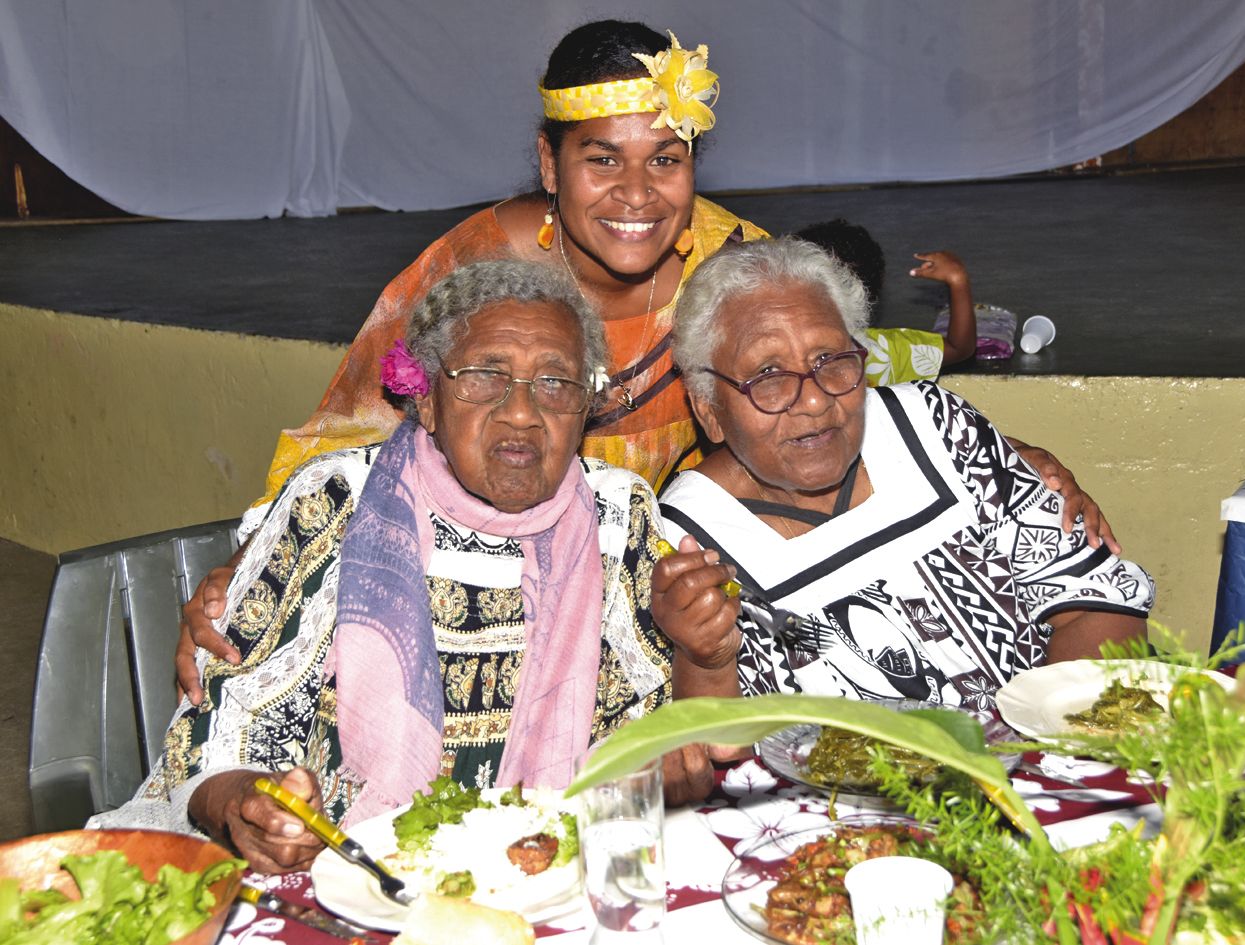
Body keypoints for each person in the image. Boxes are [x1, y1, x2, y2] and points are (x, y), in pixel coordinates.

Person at [174, 20, 1112, 703]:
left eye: (665, 159)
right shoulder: (471, 274)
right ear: (549, 166)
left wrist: (1009, 453)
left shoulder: (730, 256)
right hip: (464, 580)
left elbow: (817, 369)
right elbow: (336, 443)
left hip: (645, 597)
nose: (636, 194)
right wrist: (249, 573)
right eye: (601, 160)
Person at [95, 261, 714, 872]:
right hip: (340, 866)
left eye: (556, 383)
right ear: (426, 399)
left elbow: (662, 726)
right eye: (483, 375)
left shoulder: (617, 515)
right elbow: (221, 716)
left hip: (551, 868)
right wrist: (248, 805)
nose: (523, 411)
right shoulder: (337, 500)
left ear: (586, 406)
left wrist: (674, 721)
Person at [652, 239, 1154, 709]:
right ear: (710, 411)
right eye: (768, 375)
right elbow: (718, 749)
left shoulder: (936, 427)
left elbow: (1095, 602)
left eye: (831, 359)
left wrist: (1046, 753)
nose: (813, 398)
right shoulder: (685, 545)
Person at [793, 218, 976, 382]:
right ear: (874, 288)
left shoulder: (774, 350)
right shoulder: (882, 352)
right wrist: (958, 280)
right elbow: (959, 347)